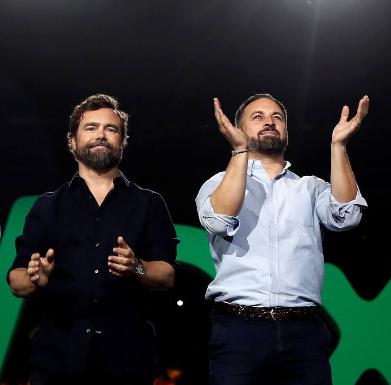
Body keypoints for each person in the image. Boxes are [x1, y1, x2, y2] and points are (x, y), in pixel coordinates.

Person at [195, 93, 369, 385]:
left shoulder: (310, 187)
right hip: (240, 330)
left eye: (277, 117)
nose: (269, 122)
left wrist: (338, 146)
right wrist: (239, 151)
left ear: (286, 130)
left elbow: (347, 216)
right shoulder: (217, 182)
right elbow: (220, 219)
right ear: (239, 129)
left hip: (304, 332)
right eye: (258, 116)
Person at [7, 94, 179, 385]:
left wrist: (137, 267)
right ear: (72, 142)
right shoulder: (46, 206)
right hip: (56, 361)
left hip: (127, 362)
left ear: (122, 143)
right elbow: (16, 279)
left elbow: (167, 275)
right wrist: (35, 278)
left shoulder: (149, 203)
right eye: (91, 127)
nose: (101, 134)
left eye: (111, 129)